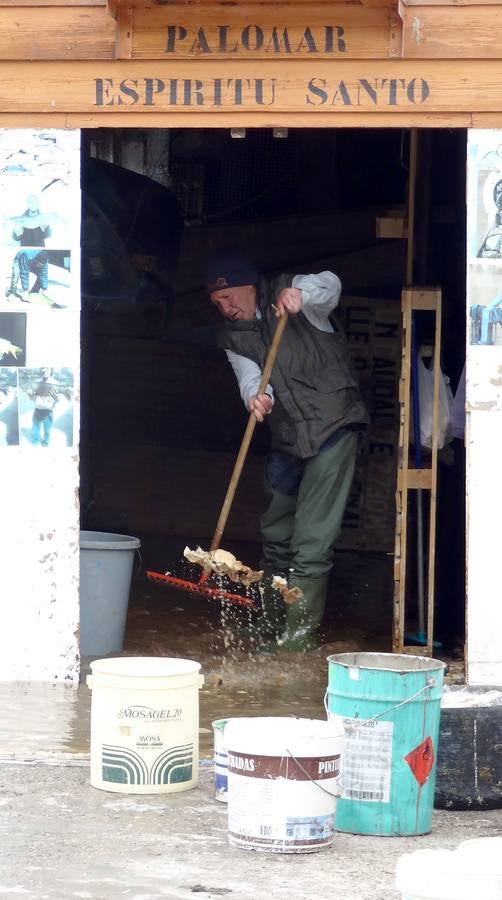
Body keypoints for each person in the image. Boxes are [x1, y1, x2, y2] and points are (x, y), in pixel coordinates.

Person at [206, 250, 369, 652]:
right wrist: (256, 399)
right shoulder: (233, 337)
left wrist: (301, 293)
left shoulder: (290, 295)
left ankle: (297, 638)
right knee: (276, 535)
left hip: (333, 427)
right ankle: (271, 623)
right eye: (217, 303)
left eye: (228, 298)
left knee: (311, 543)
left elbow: (331, 284)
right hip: (288, 435)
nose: (225, 308)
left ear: (248, 286)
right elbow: (251, 377)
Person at [26, 367, 61, 447]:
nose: (45, 371)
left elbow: (59, 400)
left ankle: (45, 441)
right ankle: (35, 441)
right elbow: (33, 398)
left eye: (47, 369)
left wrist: (56, 397)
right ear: (41, 371)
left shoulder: (55, 383)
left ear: (50, 370)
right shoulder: (36, 382)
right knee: (35, 428)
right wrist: (30, 395)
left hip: (48, 411)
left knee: (47, 430)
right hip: (37, 410)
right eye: (43, 369)